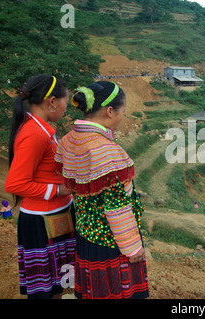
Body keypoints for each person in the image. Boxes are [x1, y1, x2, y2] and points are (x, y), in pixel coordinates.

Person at [55, 81, 148, 299]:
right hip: (111, 243)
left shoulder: (69, 141)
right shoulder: (107, 152)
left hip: (86, 238)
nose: (123, 116)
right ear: (109, 111)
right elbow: (116, 206)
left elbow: (70, 184)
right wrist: (133, 248)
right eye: (122, 111)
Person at [4, 75, 75, 299]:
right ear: (52, 101)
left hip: (55, 216)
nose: (66, 108)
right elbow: (15, 183)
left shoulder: (42, 130)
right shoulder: (34, 134)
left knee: (62, 285)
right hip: (42, 221)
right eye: (65, 102)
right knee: (48, 289)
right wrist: (56, 191)